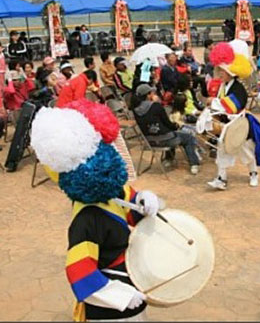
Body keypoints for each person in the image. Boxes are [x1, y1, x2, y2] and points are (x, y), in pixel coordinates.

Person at [30, 101, 162, 321]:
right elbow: (79, 272)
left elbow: (131, 207)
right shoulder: (85, 220)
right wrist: (120, 297)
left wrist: (143, 200)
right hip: (110, 308)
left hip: (133, 283)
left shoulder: (113, 191)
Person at [205, 41, 260, 190]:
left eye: (222, 71)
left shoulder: (239, 88)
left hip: (239, 124)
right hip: (227, 125)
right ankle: (221, 179)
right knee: (222, 151)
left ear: (230, 73)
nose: (220, 73)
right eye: (219, 70)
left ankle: (254, 173)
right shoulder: (223, 86)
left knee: (246, 152)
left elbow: (233, 105)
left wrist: (215, 102)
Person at [133, 84, 201, 174]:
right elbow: (168, 124)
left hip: (149, 141)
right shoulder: (156, 106)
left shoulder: (135, 109)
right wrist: (176, 126)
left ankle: (169, 159)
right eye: (152, 93)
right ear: (148, 95)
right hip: (165, 140)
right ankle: (194, 164)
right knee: (188, 137)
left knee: (170, 133)